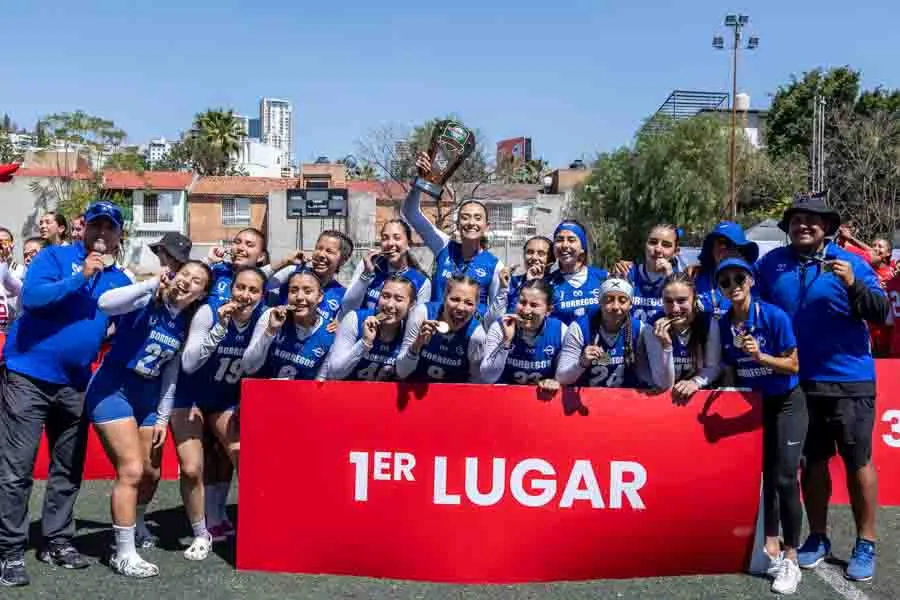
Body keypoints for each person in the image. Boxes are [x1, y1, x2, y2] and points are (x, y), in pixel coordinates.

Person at [754, 192, 888, 582]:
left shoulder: (853, 263)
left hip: (849, 380)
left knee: (857, 461)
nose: (804, 225)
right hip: (797, 382)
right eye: (797, 219)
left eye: (813, 220)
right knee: (812, 463)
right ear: (789, 226)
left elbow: (882, 313)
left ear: (827, 227)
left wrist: (853, 284)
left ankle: (866, 542)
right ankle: (817, 536)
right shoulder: (771, 264)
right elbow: (749, 301)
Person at [0, 201, 131, 587]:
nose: (102, 233)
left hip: (75, 383)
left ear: (119, 236)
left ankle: (56, 540)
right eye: (96, 225)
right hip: (28, 376)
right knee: (16, 469)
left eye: (110, 227)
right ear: (83, 228)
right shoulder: (54, 257)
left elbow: (123, 326)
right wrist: (82, 275)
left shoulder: (120, 280)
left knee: (67, 468)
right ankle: (9, 549)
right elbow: (34, 299)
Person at [85, 260, 211, 577]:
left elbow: (170, 375)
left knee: (152, 473)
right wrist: (150, 283)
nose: (187, 281)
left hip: (148, 397)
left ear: (201, 293)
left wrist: (162, 418)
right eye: (185, 274)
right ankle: (123, 553)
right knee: (131, 470)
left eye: (197, 280)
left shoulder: (186, 322)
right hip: (113, 388)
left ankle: (136, 522)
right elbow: (104, 303)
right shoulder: (147, 297)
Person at [717, 257, 806, 595]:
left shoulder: (773, 316)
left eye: (739, 278)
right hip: (754, 406)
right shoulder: (723, 324)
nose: (733, 285)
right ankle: (769, 547)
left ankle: (792, 557)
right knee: (763, 478)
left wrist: (761, 358)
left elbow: (794, 365)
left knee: (785, 477)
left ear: (751, 281)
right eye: (725, 281)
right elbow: (728, 368)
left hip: (787, 402)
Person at [172, 266, 267, 562]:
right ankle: (201, 533)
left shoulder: (263, 317)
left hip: (225, 399)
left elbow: (252, 365)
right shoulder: (210, 312)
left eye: (253, 290)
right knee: (191, 468)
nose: (245, 295)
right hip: (190, 397)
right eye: (241, 287)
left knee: (243, 455)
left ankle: (247, 523)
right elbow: (189, 363)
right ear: (231, 288)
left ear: (262, 295)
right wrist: (220, 329)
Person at [402, 152, 504, 316]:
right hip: (434, 329)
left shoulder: (495, 266)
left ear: (486, 226)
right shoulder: (443, 246)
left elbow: (494, 316)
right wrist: (419, 182)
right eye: (465, 217)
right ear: (457, 224)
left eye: (478, 218)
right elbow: (411, 213)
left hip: (470, 332)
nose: (471, 222)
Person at [243, 270, 335, 381]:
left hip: (302, 392)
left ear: (320, 296)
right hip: (263, 391)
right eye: (293, 291)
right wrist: (270, 331)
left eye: (307, 291)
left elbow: (321, 381)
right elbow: (248, 367)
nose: (299, 297)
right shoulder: (272, 315)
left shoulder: (329, 331)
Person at [642, 272, 721, 400]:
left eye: (681, 300)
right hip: (666, 401)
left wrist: (695, 382)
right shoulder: (652, 327)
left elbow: (713, 367)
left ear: (694, 299)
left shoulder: (708, 323)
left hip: (700, 397)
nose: (675, 309)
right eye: (668, 301)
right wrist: (666, 346)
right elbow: (664, 384)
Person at [556, 278, 646, 388]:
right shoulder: (580, 327)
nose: (615, 306)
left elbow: (646, 377)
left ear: (630, 304)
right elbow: (561, 378)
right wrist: (582, 363)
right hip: (588, 395)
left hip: (624, 397)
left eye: (622, 301)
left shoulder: (639, 328)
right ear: (599, 302)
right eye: (609, 300)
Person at [395, 274, 485, 383]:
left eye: (469, 303)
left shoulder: (476, 335)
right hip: (414, 387)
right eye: (455, 299)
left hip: (453, 393)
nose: (461, 307)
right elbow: (401, 372)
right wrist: (416, 345)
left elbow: (476, 383)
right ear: (444, 297)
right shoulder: (422, 314)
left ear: (476, 306)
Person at [480, 279, 565, 392]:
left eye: (534, 305)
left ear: (548, 310)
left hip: (542, 398)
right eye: (522, 302)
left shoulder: (561, 331)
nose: (526, 310)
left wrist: (554, 381)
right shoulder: (500, 326)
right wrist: (506, 342)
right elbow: (487, 376)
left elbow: (564, 377)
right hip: (503, 396)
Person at [327, 275, 415, 381]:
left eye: (398, 299)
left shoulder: (409, 331)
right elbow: (333, 373)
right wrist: (364, 342)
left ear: (411, 305)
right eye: (385, 296)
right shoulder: (355, 319)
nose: (389, 305)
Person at [341, 219, 431, 313]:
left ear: (409, 244)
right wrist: (366, 274)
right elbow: (347, 308)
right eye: (385, 238)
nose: (390, 243)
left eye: (397, 238)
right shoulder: (369, 265)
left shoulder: (421, 282)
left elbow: (417, 319)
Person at [269, 230, 354, 324]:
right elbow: (260, 283)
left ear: (343, 260)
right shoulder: (293, 274)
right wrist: (284, 262)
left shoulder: (342, 295)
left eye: (329, 251)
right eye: (319, 248)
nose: (321, 254)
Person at [613, 224, 682, 322]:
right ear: (645, 245)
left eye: (666, 245)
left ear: (676, 251)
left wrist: (670, 279)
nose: (658, 249)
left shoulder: (681, 281)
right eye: (653, 242)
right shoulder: (626, 273)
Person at [546, 220, 609, 325]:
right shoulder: (547, 284)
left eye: (571, 240)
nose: (564, 245)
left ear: (582, 248)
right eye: (559, 240)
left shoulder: (603, 278)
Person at [694, 222, 760, 318]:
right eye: (719, 243)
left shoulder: (754, 274)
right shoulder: (697, 276)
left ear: (740, 249)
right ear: (712, 249)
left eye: (728, 243)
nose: (722, 248)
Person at [499, 235, 554, 314]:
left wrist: (535, 284)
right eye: (530, 252)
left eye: (541, 253)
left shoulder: (557, 284)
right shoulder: (512, 282)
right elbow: (496, 317)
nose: (534, 257)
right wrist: (503, 288)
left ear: (551, 260)